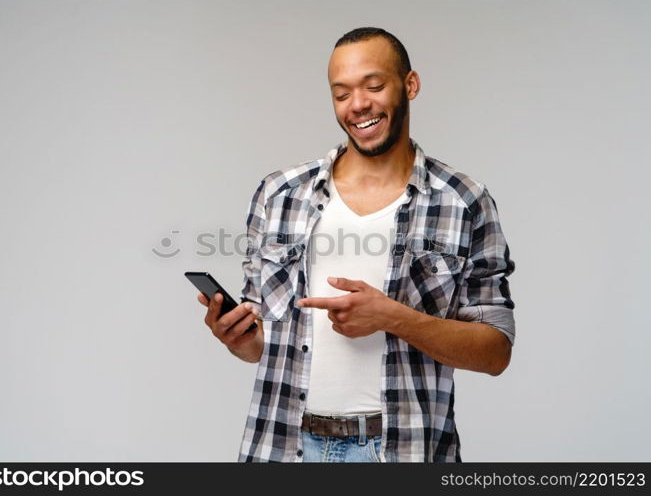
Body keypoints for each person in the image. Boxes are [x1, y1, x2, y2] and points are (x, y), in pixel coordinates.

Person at [197, 27, 516, 462]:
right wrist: (237, 337)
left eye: (374, 85)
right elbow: (260, 348)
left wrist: (396, 318)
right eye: (341, 93)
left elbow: (495, 352)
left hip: (404, 450)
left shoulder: (463, 200)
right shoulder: (279, 194)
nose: (358, 105)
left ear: (410, 85)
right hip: (283, 446)